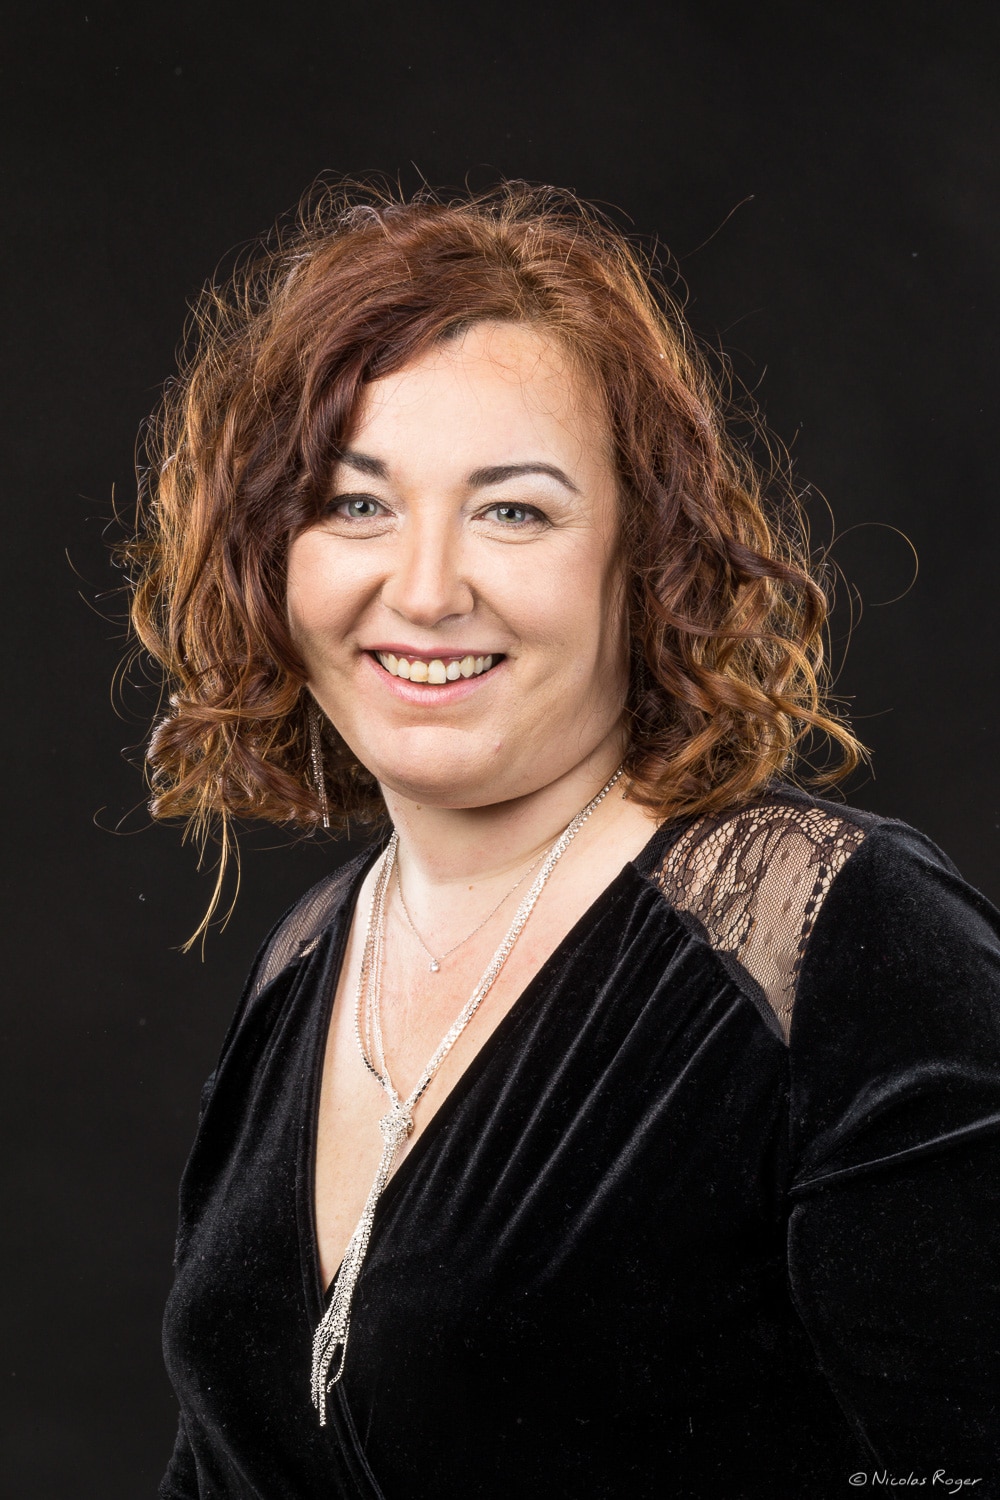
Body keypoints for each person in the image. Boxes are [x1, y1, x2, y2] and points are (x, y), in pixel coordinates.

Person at [127, 182, 1000, 1499]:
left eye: (514, 511)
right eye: (355, 504)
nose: (422, 588)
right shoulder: (308, 961)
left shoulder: (829, 936)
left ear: (641, 557)